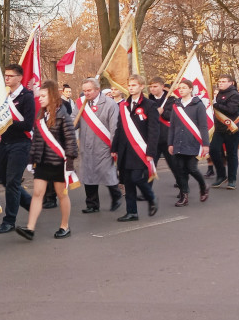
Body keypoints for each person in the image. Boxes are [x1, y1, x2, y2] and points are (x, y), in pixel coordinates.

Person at [17, 79, 78, 240]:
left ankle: (64, 226)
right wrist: (31, 160)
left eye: (44, 95)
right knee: (37, 194)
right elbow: (36, 140)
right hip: (43, 161)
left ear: (52, 96)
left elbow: (71, 140)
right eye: (40, 95)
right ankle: (30, 228)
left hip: (59, 162)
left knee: (61, 194)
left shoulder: (63, 115)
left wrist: (70, 163)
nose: (40, 98)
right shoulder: (41, 115)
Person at [0, 63, 35, 235]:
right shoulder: (3, 95)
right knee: (2, 177)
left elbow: (27, 124)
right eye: (6, 75)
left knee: (12, 181)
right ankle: (32, 205)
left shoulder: (27, 97)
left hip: (20, 144)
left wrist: (7, 122)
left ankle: (9, 220)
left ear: (19, 78)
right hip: (4, 143)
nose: (7, 78)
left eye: (10, 76)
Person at [111, 74, 159, 222]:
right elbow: (119, 129)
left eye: (134, 85)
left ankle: (151, 198)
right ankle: (131, 212)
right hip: (125, 149)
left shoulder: (149, 105)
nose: (131, 88)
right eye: (129, 85)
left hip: (140, 149)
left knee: (137, 178)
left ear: (141, 87)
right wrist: (114, 147)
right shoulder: (123, 105)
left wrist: (151, 151)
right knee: (127, 181)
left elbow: (153, 130)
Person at [75, 77, 122, 213]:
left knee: (107, 173)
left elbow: (114, 127)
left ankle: (116, 196)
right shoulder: (80, 104)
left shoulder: (109, 104)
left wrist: (114, 147)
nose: (86, 93)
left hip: (104, 146)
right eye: (84, 91)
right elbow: (74, 120)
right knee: (88, 174)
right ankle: (92, 204)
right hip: (86, 145)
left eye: (89, 90)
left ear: (97, 90)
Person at [166, 79, 210, 206]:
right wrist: (170, 143)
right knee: (180, 170)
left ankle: (203, 186)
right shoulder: (176, 106)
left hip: (193, 141)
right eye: (180, 88)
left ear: (191, 89)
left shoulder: (198, 105)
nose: (181, 90)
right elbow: (172, 126)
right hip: (178, 142)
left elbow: (203, 126)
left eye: (184, 87)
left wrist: (206, 144)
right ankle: (184, 195)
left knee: (191, 168)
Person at [147, 77, 182, 191]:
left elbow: (176, 116)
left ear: (162, 86)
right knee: (151, 166)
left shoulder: (171, 100)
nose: (152, 89)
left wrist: (163, 113)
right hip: (154, 139)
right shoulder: (148, 101)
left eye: (155, 86)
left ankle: (183, 189)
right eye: (151, 87)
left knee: (174, 166)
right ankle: (147, 191)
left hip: (168, 139)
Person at [209, 75, 239, 189]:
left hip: (232, 129)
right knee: (213, 150)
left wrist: (215, 105)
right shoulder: (219, 94)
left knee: (231, 154)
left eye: (223, 81)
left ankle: (232, 178)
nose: (220, 83)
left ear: (231, 83)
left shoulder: (235, 95)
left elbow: (231, 110)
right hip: (219, 129)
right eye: (219, 81)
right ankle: (221, 175)